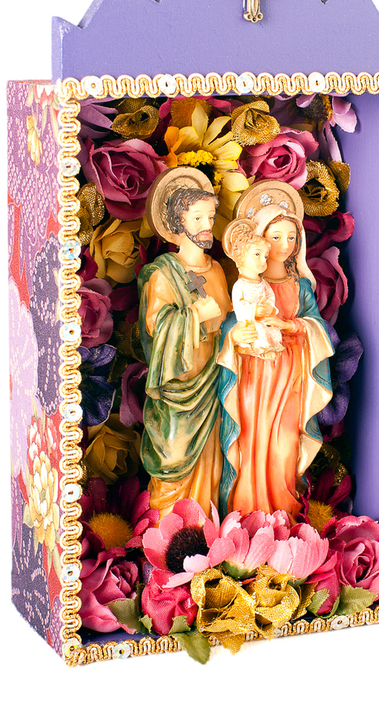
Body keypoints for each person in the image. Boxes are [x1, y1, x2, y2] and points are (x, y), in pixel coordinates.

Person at [137, 169, 254, 517]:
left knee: (211, 459)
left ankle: (204, 526)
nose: (207, 225)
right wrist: (194, 315)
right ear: (178, 222)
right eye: (198, 218)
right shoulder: (163, 274)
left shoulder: (217, 270)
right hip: (179, 390)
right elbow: (156, 324)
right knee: (174, 455)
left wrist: (237, 329)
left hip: (212, 382)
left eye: (211, 217)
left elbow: (227, 320)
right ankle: (166, 527)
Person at [216, 183, 334, 520]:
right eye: (276, 237)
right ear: (260, 239)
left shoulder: (301, 286)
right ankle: (248, 518)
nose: (285, 245)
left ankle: (283, 520)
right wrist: (235, 335)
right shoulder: (245, 285)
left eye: (292, 237)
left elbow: (317, 326)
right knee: (252, 445)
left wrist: (290, 325)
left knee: (285, 448)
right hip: (254, 377)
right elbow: (229, 327)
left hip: (290, 375)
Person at [226, 230, 284, 361]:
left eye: (265, 256)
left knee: (274, 330)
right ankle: (262, 351)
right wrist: (254, 310)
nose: (263, 260)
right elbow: (238, 306)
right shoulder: (240, 285)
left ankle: (273, 347)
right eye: (257, 254)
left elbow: (270, 296)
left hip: (263, 319)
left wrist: (269, 306)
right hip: (249, 322)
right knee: (259, 331)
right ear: (242, 256)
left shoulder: (263, 283)